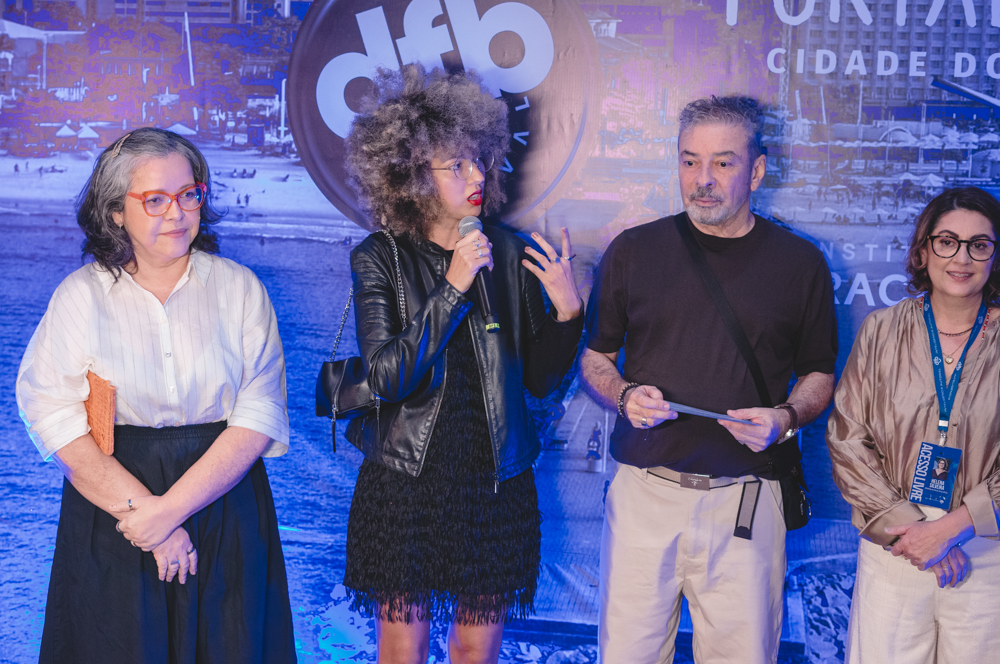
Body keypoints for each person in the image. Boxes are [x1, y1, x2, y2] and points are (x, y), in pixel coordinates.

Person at [15, 127, 296, 663]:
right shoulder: (80, 296)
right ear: (116, 211)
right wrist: (149, 519)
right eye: (155, 200)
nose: (178, 213)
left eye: (189, 194)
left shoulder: (240, 288)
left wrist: (170, 512)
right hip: (115, 507)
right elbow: (50, 415)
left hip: (223, 499)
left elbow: (259, 412)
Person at [579, 95, 837, 663]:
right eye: (690, 161)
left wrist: (786, 419)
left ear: (757, 170)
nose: (702, 179)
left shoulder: (800, 264)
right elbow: (595, 358)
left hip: (747, 500)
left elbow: (819, 373)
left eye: (723, 162)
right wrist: (623, 395)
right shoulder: (633, 251)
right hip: (645, 495)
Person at [341, 65, 584, 664]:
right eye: (456, 165)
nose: (477, 176)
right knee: (403, 650)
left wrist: (568, 313)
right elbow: (386, 377)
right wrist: (452, 287)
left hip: (494, 479)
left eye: (480, 160)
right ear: (410, 172)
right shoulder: (380, 257)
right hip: (404, 479)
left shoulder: (511, 251)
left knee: (477, 650)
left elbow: (539, 381)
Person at [827, 187, 1000, 663]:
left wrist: (953, 528)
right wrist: (912, 530)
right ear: (923, 251)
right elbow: (847, 440)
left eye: (979, 244)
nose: (961, 258)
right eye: (947, 242)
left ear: (995, 256)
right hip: (895, 549)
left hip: (986, 551)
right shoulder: (881, 330)